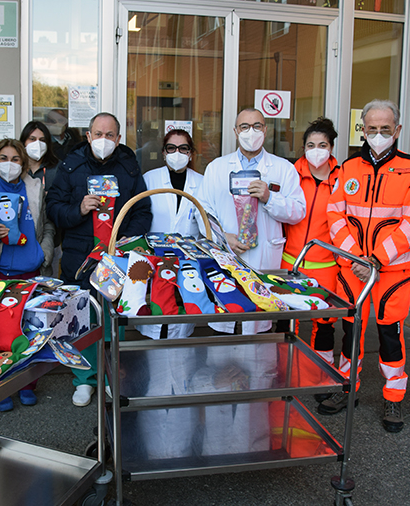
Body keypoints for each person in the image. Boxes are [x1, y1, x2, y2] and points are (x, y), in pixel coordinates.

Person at [325, 99, 410, 433]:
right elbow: (335, 216)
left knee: (390, 336)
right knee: (351, 331)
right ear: (363, 130)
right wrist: (357, 259)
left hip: (391, 273)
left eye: (385, 129)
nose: (378, 134)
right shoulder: (347, 168)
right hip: (353, 269)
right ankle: (347, 388)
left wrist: (376, 260)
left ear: (397, 130)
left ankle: (393, 397)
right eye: (372, 129)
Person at [46, 112, 152, 406]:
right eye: (98, 134)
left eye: (110, 135)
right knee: (81, 321)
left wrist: (124, 240)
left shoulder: (129, 169)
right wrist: (78, 209)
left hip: (117, 261)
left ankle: (111, 377)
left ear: (118, 139)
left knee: (112, 322)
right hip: (80, 258)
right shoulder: (71, 166)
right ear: (88, 136)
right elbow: (53, 207)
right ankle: (84, 379)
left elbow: (143, 211)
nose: (103, 140)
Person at [194, 107, 306, 334]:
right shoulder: (217, 168)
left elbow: (298, 211)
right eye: (244, 127)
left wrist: (269, 197)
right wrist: (222, 237)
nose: (250, 132)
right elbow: (202, 210)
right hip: (227, 250)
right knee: (226, 317)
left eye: (256, 126)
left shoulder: (283, 169)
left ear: (265, 130)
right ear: (236, 131)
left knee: (257, 324)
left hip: (263, 254)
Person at [0, 138, 55, 410]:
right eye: (3, 158)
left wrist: (44, 253)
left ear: (23, 163)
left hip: (32, 271)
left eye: (15, 159)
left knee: (29, 332)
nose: (9, 164)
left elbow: (47, 225)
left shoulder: (35, 187)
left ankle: (26, 384)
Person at [281, 117, 341, 397]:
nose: (316, 150)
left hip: (326, 265)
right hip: (289, 263)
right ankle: (280, 373)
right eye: (310, 145)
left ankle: (320, 376)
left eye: (322, 145)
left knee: (324, 325)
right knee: (282, 322)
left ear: (331, 148)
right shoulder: (291, 174)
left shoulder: (342, 180)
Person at [140, 128, 203, 339]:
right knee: (156, 321)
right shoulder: (149, 179)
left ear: (191, 153)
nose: (177, 153)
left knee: (181, 320)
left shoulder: (201, 183)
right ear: (164, 153)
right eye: (172, 148)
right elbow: (140, 218)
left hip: (188, 261)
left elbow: (206, 225)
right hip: (154, 260)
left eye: (183, 148)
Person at [20, 120, 61, 277]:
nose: (37, 143)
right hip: (22, 239)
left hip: (51, 238)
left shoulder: (57, 169)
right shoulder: (17, 169)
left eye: (42, 140)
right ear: (23, 142)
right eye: (32, 139)